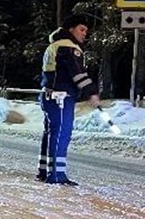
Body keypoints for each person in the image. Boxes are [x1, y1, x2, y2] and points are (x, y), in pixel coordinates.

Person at [38, 16, 100, 186]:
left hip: (48, 95)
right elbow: (77, 73)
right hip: (61, 97)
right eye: (82, 29)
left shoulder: (54, 45)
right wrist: (91, 93)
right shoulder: (69, 47)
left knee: (51, 132)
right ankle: (57, 175)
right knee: (61, 134)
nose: (84, 34)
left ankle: (44, 170)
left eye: (86, 30)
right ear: (71, 29)